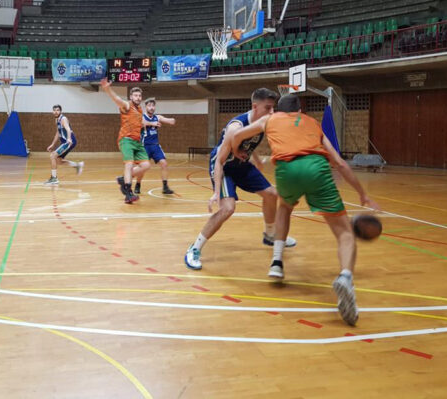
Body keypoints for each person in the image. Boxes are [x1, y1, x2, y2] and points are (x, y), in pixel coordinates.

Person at [230, 93, 380, 326]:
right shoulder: (313, 123)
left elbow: (236, 134)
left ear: (278, 110)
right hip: (316, 168)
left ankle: (277, 263)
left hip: (287, 169)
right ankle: (346, 277)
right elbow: (339, 162)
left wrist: (238, 151)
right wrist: (363, 194)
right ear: (299, 111)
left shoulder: (270, 120)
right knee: (344, 232)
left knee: (285, 208)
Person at [184, 88, 297, 271]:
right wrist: (215, 192)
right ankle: (194, 249)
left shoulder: (262, 122)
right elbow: (219, 162)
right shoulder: (234, 128)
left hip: (241, 165)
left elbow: (250, 143)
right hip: (224, 166)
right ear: (254, 106)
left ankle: (269, 235)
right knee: (228, 208)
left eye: (273, 108)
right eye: (268, 108)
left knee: (271, 194)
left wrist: (258, 160)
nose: (272, 112)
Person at [100, 78, 151, 204]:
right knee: (129, 164)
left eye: (140, 95)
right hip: (126, 140)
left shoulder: (140, 110)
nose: (138, 97)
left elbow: (142, 122)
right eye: (135, 95)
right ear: (131, 96)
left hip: (137, 142)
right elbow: (117, 99)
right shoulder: (127, 105)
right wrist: (107, 89)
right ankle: (128, 192)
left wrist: (153, 122)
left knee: (146, 165)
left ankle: (124, 179)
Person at [134, 97, 176, 195]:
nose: (152, 107)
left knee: (164, 164)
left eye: (153, 106)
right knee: (143, 167)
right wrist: (152, 123)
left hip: (155, 146)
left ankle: (165, 187)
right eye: (149, 106)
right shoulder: (142, 116)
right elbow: (140, 123)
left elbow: (171, 121)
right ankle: (138, 184)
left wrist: (171, 120)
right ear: (146, 107)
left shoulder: (157, 117)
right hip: (144, 146)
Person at [45, 105, 84, 185]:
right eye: (54, 110)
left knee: (53, 156)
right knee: (58, 161)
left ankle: (54, 178)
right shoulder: (56, 120)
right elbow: (58, 133)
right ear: (52, 112)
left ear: (61, 111)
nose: (56, 112)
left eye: (58, 110)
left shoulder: (63, 119)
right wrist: (52, 144)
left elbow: (68, 129)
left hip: (69, 141)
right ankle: (77, 165)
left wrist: (69, 138)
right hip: (65, 142)